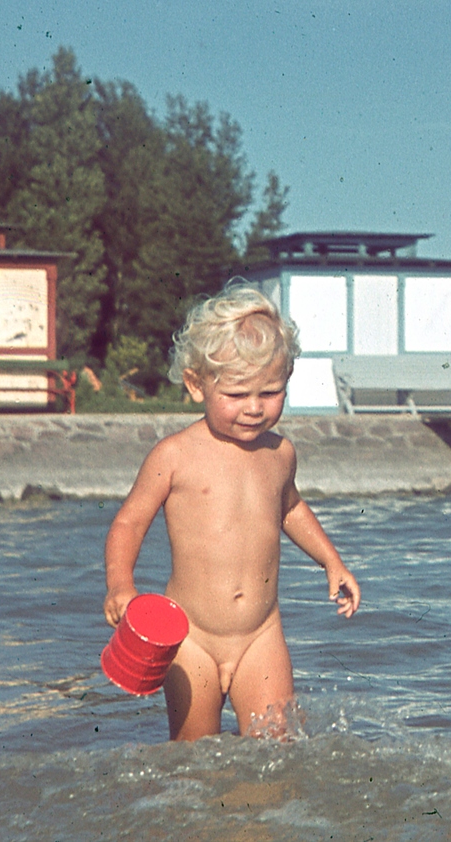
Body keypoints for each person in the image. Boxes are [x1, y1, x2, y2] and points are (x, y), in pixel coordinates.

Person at [103, 285, 361, 740]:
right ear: (196, 384)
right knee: (195, 754)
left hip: (261, 634)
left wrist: (331, 560)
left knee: (278, 747)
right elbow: (130, 521)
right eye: (238, 393)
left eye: (271, 392)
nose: (255, 408)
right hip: (191, 637)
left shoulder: (280, 453)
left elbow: (291, 508)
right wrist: (121, 585)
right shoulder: (175, 455)